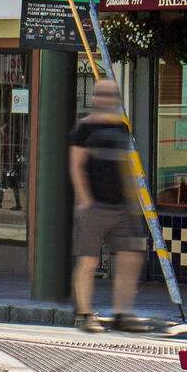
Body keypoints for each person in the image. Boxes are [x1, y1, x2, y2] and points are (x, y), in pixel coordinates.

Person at [68, 76, 148, 332]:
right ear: (94, 98)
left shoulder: (121, 128)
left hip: (121, 206)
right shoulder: (84, 129)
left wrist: (133, 202)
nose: (105, 99)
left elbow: (126, 166)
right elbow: (76, 166)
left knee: (130, 257)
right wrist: (86, 201)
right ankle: (84, 315)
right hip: (95, 207)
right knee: (88, 260)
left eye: (110, 95)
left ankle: (122, 314)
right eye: (101, 94)